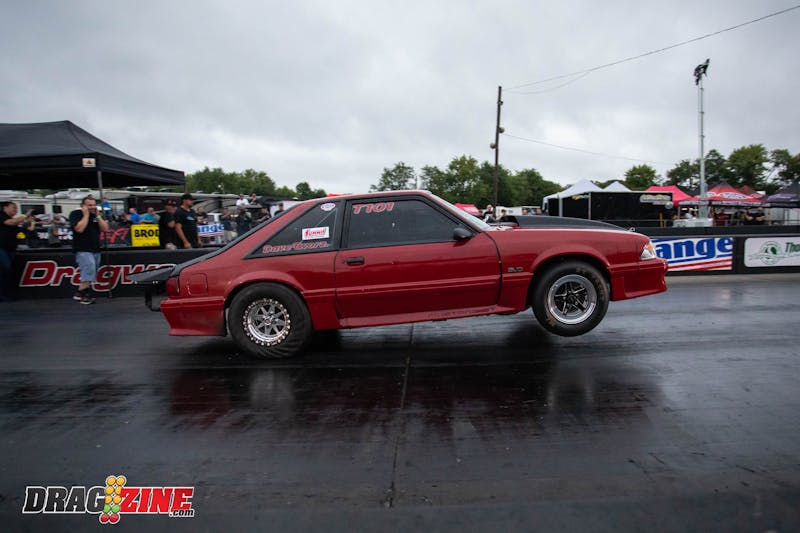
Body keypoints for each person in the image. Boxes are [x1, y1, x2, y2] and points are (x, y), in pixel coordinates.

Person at [69, 196, 109, 304]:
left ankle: (79, 293)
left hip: (95, 248)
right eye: (89, 205)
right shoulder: (76, 214)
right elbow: (79, 229)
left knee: (92, 272)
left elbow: (105, 229)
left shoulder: (96, 215)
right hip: (82, 248)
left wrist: (98, 216)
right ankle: (85, 295)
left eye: (94, 205)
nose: (92, 207)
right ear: (83, 206)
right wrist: (86, 215)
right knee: (89, 269)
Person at [1, 202, 33, 301]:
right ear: (5, 207)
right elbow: (10, 222)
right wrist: (25, 215)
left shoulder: (13, 220)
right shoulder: (1, 215)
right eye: (13, 207)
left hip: (10, 248)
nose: (16, 210)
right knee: (6, 268)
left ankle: (5, 294)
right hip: (1, 247)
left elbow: (22, 231)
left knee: (7, 272)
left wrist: (30, 221)